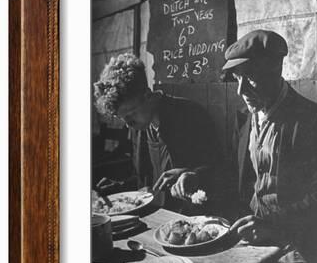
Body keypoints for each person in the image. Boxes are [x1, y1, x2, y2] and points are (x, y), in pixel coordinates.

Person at [224, 30, 317, 263]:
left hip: (297, 242)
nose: (240, 90)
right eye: (237, 79)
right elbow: (237, 180)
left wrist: (273, 226)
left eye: (249, 78)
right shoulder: (245, 118)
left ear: (275, 69)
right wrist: (195, 177)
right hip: (251, 236)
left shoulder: (312, 119)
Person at [93, 53, 226, 214]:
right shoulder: (139, 127)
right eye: (122, 119)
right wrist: (120, 187)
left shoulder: (191, 115)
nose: (128, 125)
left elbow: (223, 170)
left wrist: (193, 174)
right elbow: (146, 183)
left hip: (193, 218)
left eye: (130, 115)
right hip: (156, 216)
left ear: (148, 96)